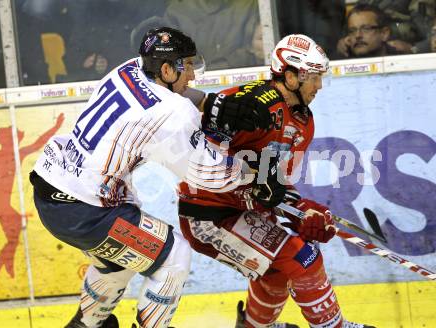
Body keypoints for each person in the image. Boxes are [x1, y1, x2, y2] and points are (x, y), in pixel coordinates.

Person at [29, 26, 258, 328]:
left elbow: (167, 93)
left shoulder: (128, 68)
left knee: (116, 261)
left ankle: (85, 324)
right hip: (87, 212)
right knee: (173, 257)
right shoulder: (173, 114)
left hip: (51, 193)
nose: (193, 75)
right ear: (166, 68)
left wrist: (209, 103)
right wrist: (253, 173)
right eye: (187, 66)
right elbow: (208, 174)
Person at [178, 34, 376, 327]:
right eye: (314, 78)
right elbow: (200, 147)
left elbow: (272, 183)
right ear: (291, 76)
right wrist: (256, 186)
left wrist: (302, 211)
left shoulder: (302, 123)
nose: (319, 86)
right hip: (207, 213)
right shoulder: (250, 104)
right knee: (303, 259)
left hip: (240, 211)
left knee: (277, 270)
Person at [335, 4, 410, 58]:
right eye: (352, 31)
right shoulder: (339, 65)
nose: (358, 35)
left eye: (366, 29)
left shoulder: (403, 62)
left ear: (384, 34)